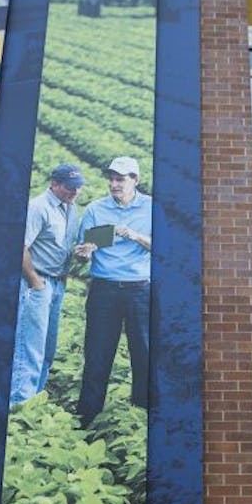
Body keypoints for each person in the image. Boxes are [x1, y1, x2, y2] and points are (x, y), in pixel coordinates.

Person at [73, 156, 152, 427]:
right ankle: (86, 418)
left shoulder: (152, 208)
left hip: (140, 291)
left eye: (120, 179)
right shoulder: (96, 209)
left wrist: (133, 235)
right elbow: (85, 247)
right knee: (97, 354)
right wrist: (84, 251)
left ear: (135, 180)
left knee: (144, 354)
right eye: (111, 178)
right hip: (103, 290)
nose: (114, 184)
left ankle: (141, 414)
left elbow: (165, 246)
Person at [10, 163, 85, 404]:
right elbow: (19, 246)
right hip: (37, 282)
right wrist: (35, 281)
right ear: (54, 183)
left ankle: (36, 400)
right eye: (69, 187)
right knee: (30, 345)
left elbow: (61, 246)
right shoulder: (38, 207)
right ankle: (19, 402)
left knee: (47, 347)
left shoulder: (71, 209)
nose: (74, 192)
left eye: (78, 188)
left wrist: (80, 252)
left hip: (58, 283)